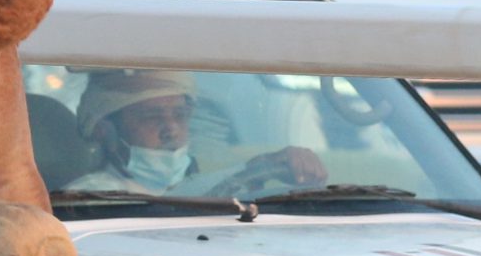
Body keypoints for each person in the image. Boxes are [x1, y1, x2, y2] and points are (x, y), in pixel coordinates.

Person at [65, 70, 327, 198]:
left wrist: (266, 166)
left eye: (180, 115)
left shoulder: (195, 188)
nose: (171, 130)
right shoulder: (90, 200)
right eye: (151, 117)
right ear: (104, 131)